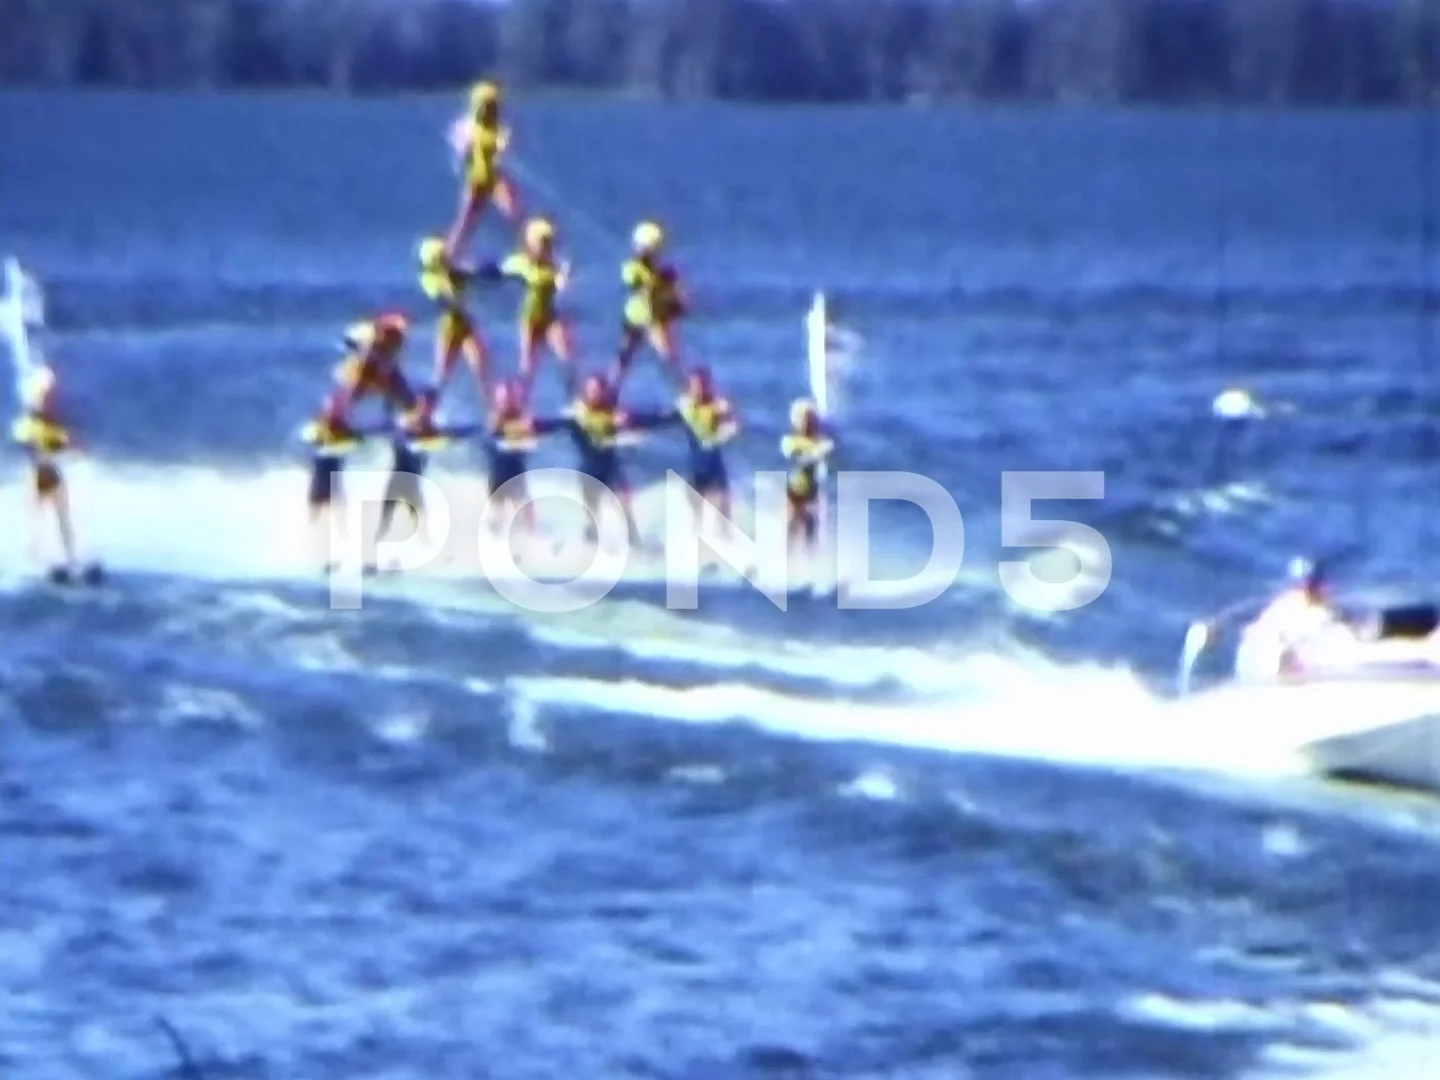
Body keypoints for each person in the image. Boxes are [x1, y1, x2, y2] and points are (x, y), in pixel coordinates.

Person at [539, 373, 651, 550]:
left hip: (611, 467)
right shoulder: (577, 414)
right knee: (592, 513)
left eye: (600, 391)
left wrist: (630, 421)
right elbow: (553, 425)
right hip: (588, 470)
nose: (597, 394)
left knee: (624, 503)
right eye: (593, 390)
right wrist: (535, 426)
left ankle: (634, 541)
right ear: (586, 392)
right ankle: (589, 543)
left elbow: (636, 422)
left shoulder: (614, 413)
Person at [368, 388, 477, 571]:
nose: (427, 410)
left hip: (414, 484)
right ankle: (372, 557)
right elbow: (385, 429)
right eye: (424, 405)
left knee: (420, 523)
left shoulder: (433, 430)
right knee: (386, 520)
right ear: (418, 405)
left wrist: (473, 431)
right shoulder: (404, 425)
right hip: (397, 480)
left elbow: (455, 434)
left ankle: (428, 558)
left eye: (431, 407)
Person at [474, 217, 574, 403]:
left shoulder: (556, 265)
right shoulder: (522, 263)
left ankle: (574, 399)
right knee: (528, 365)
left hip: (551, 316)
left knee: (566, 357)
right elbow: (498, 270)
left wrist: (564, 274)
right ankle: (521, 403)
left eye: (547, 243)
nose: (544, 248)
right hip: (530, 317)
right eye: (541, 243)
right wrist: (475, 271)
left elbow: (562, 288)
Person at [10, 367, 95, 583]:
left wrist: (73, 447)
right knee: (38, 518)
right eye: (48, 397)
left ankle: (70, 558)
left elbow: (66, 442)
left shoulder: (48, 426)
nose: (52, 401)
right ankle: (37, 560)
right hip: (39, 474)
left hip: (51, 473)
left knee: (62, 518)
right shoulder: (29, 425)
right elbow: (27, 441)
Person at [653, 366, 738, 555]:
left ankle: (728, 549)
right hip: (695, 468)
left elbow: (732, 422)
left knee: (722, 512)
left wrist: (730, 423)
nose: (699, 390)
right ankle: (696, 551)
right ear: (690, 388)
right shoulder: (685, 408)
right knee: (696, 516)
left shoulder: (718, 406)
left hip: (715, 468)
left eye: (702, 385)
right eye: (695, 386)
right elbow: (660, 419)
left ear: (709, 386)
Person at [1236, 558, 1355, 678]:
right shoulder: (1293, 610)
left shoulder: (1288, 606)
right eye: (1322, 584)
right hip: (1269, 674)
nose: (1329, 589)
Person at [446, 79, 520, 256]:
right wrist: (466, 149)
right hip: (476, 178)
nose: (491, 110)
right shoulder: (466, 127)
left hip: (496, 179)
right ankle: (451, 254)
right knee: (466, 221)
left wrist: (502, 149)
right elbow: (460, 150)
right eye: (487, 106)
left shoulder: (500, 129)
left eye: (493, 106)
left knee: (514, 214)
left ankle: (531, 253)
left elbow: (505, 144)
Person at [480, 378, 550, 559]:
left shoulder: (525, 419)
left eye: (513, 397)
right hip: (499, 475)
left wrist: (533, 429)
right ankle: (493, 546)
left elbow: (538, 433)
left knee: (527, 509)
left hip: (517, 473)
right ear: (498, 400)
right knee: (498, 513)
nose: (509, 401)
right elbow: (492, 438)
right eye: (505, 398)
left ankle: (532, 544)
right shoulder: (494, 421)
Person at [613, 220, 687, 391]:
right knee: (624, 358)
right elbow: (633, 282)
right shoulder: (633, 267)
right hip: (636, 317)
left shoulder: (664, 271)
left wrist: (676, 300)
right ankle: (611, 393)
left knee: (669, 356)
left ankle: (687, 392)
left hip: (655, 318)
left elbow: (677, 293)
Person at [418, 236, 490, 401]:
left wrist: (476, 270)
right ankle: (427, 411)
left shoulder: (455, 272)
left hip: (466, 322)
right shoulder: (431, 279)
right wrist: (453, 276)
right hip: (450, 325)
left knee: (480, 366)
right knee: (442, 373)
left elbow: (480, 272)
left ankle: (493, 409)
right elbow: (443, 298)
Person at [301, 392, 364, 574]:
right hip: (319, 481)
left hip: (335, 481)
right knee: (316, 518)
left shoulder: (347, 430)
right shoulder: (317, 429)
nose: (336, 411)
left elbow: (359, 440)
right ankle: (316, 556)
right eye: (333, 407)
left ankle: (339, 556)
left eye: (339, 408)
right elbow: (310, 437)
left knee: (339, 519)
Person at [333, 312, 415, 420]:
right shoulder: (368, 332)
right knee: (359, 381)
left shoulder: (398, 339)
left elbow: (392, 363)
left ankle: (400, 419)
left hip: (380, 368)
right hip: (358, 368)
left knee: (401, 389)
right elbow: (347, 343)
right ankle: (337, 418)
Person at [781, 397, 834, 558]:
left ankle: (811, 565)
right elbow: (794, 456)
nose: (807, 422)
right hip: (794, 489)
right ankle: (787, 562)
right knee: (792, 526)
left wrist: (824, 448)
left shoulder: (820, 441)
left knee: (811, 529)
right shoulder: (791, 441)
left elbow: (828, 452)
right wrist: (816, 452)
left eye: (810, 418)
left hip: (812, 490)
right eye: (803, 419)